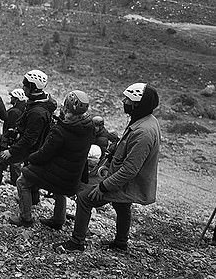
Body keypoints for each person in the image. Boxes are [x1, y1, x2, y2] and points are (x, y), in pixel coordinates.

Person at [54, 83, 161, 253]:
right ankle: (120, 243)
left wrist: (104, 187)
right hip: (125, 178)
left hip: (126, 181)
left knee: (84, 198)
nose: (124, 101)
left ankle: (77, 242)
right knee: (122, 206)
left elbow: (129, 169)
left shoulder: (143, 132)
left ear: (138, 105)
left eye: (129, 100)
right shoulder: (145, 120)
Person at [9, 91, 93, 228]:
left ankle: (25, 218)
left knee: (22, 180)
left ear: (66, 107)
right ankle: (59, 220)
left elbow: (44, 154)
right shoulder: (89, 128)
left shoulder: (62, 130)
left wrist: (30, 158)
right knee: (60, 191)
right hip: (72, 175)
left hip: (58, 173)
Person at [0, 69, 57, 203]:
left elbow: (29, 139)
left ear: (33, 87)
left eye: (26, 85)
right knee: (32, 172)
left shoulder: (37, 112)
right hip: (36, 147)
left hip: (29, 147)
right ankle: (34, 198)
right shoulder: (41, 102)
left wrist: (11, 151)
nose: (23, 87)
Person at [0, 88, 28, 185]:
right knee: (16, 161)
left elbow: (10, 127)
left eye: (12, 97)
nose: (10, 99)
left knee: (8, 160)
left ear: (16, 99)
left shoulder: (14, 112)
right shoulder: (24, 110)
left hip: (11, 140)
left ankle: (13, 180)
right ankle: (14, 180)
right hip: (18, 140)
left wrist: (5, 141)